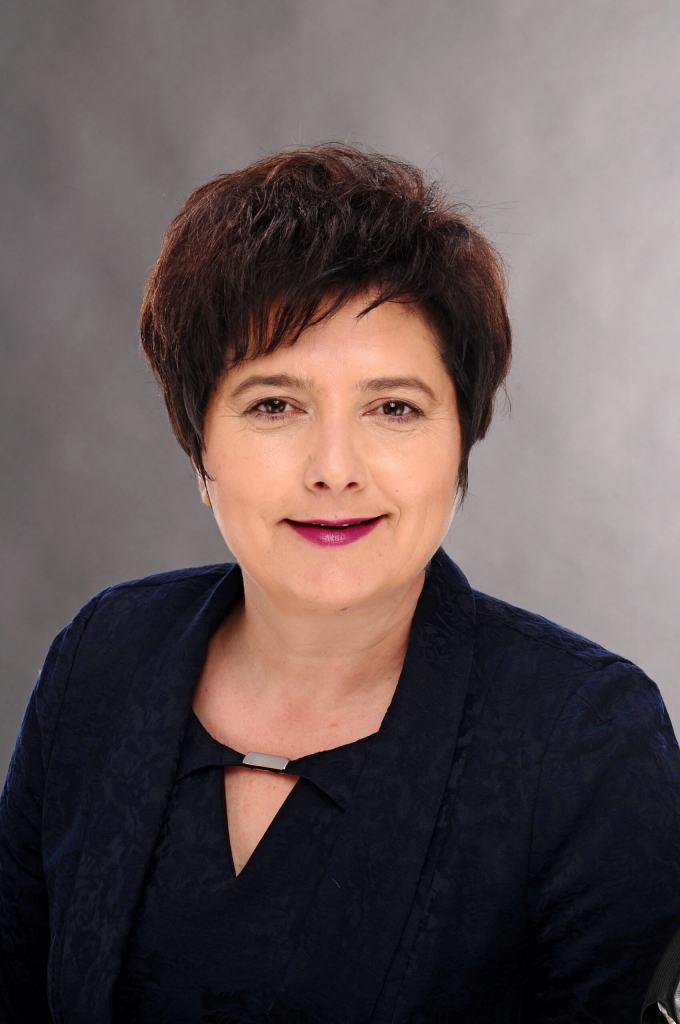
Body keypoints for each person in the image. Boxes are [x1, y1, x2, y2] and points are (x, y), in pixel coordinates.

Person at [1, 144, 679, 1024]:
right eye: (274, 405)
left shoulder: (588, 739)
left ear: (461, 443)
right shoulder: (103, 659)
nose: (334, 468)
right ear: (199, 447)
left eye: (393, 408)